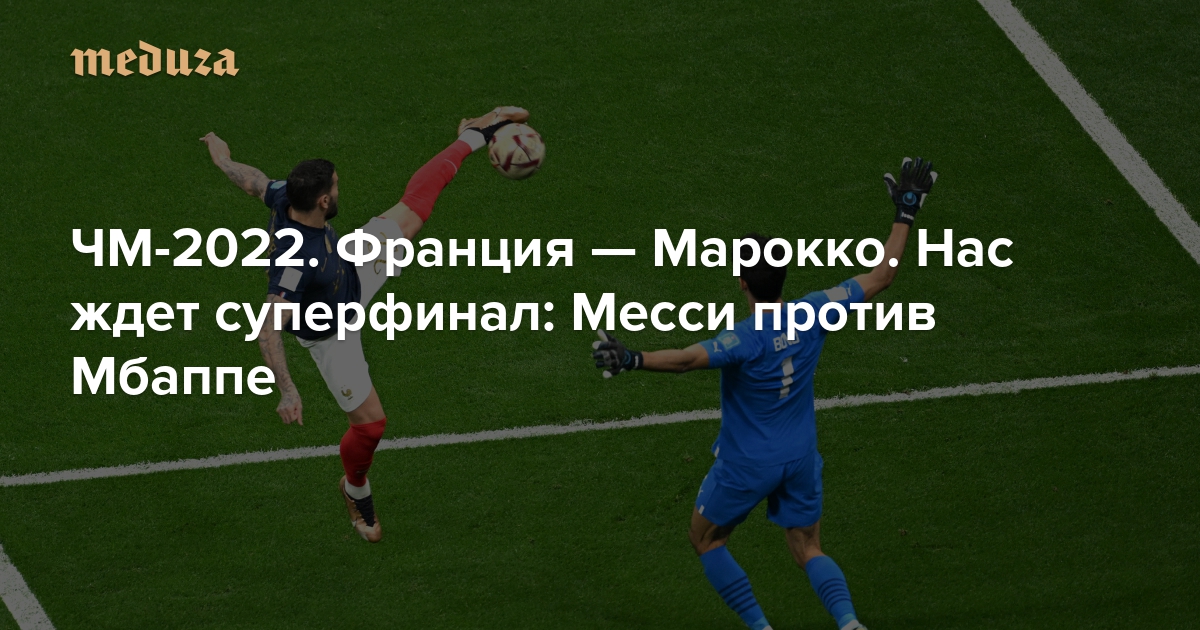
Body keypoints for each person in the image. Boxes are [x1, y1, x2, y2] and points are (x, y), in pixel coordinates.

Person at [591, 158, 937, 629]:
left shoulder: (744, 340)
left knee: (706, 539)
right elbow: (881, 276)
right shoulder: (815, 311)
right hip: (800, 456)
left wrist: (632, 358)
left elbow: (687, 359)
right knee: (808, 547)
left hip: (747, 463)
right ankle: (849, 623)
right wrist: (906, 213)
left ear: (741, 283)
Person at [200, 106, 530, 542]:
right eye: (336, 186)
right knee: (371, 425)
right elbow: (268, 328)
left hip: (347, 267)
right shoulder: (296, 263)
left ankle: (472, 134)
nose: (340, 189)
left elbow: (253, 180)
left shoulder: (286, 197)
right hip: (332, 331)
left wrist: (222, 157)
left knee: (414, 207)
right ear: (323, 201)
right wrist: (288, 389)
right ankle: (355, 488)